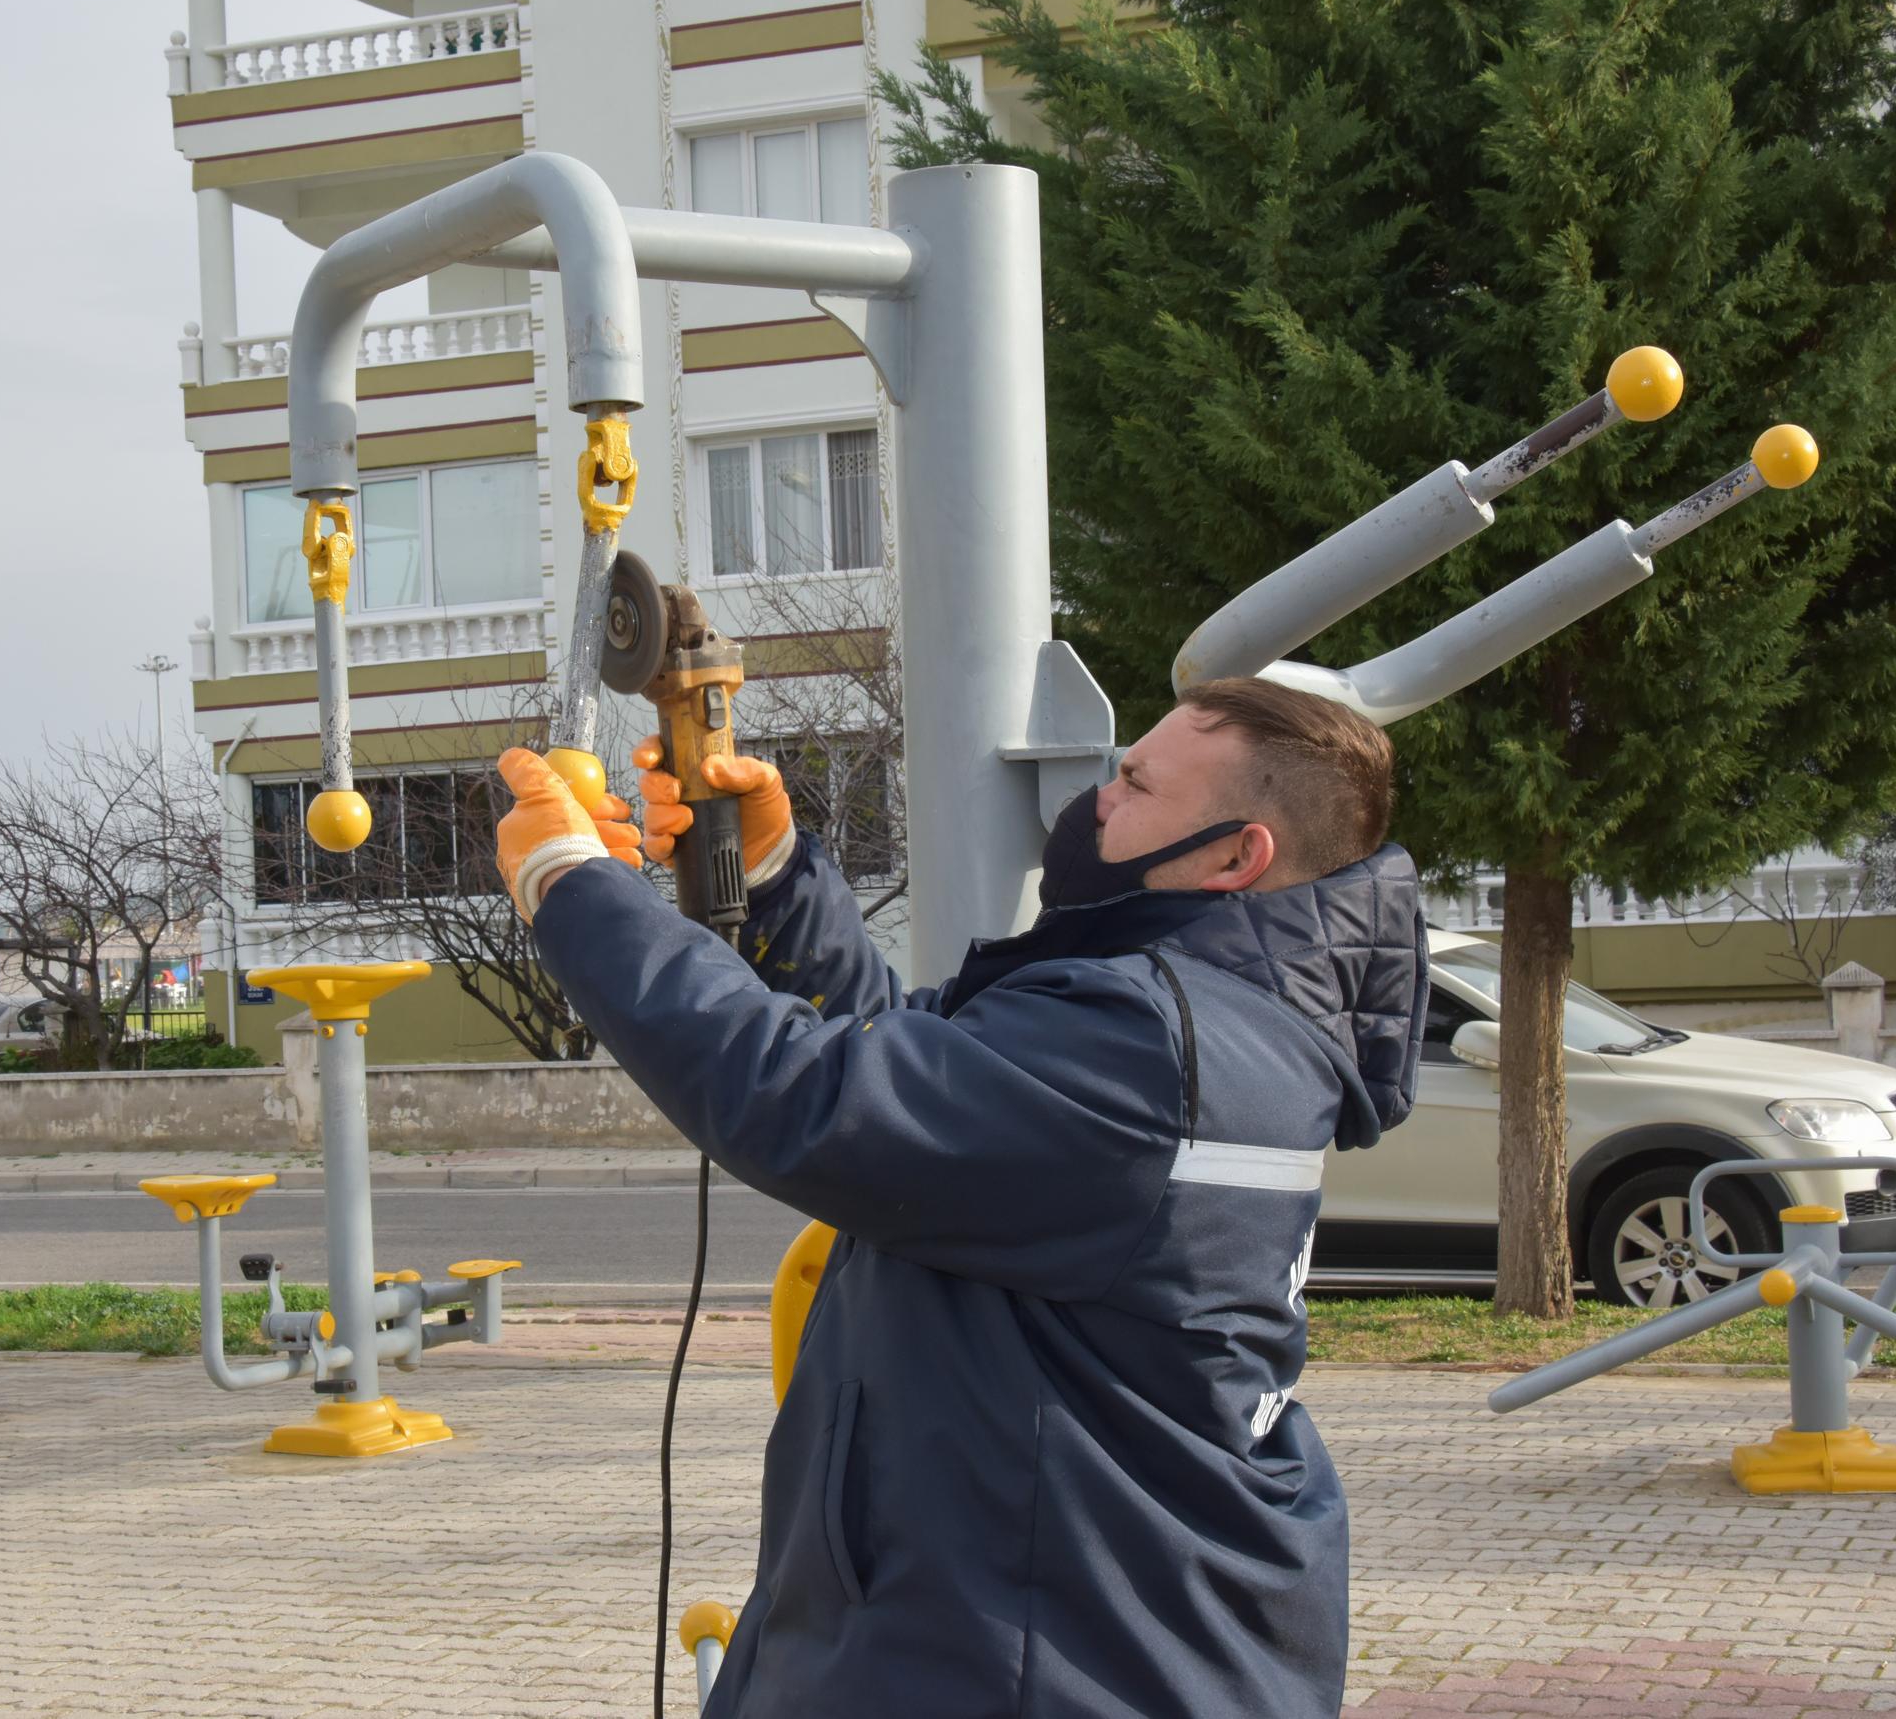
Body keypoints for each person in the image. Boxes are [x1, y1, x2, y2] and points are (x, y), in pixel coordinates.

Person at [491, 677, 1428, 1719]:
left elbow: (814, 1097)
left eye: (1135, 782)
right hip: (1060, 1628)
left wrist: (569, 883)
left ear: (1231, 854)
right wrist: (773, 876)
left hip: (1044, 1660)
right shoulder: (1201, 1020)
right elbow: (917, 1080)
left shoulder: (1150, 1046)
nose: (1099, 796)